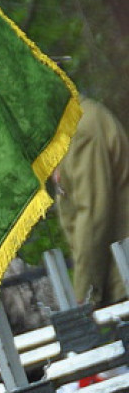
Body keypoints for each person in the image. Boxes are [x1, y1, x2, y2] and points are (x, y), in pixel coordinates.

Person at [56, 97, 129, 308]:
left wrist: (83, 295)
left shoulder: (81, 127)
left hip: (120, 278)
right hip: (117, 278)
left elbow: (92, 215)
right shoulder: (72, 125)